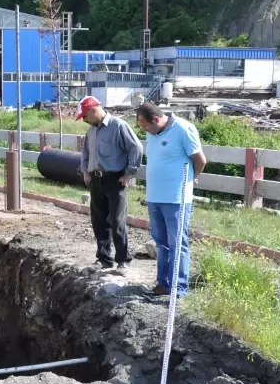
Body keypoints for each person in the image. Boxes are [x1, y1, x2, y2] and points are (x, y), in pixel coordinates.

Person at [135, 102, 208, 298]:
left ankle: (179, 289)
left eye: (144, 125)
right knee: (161, 243)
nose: (144, 130)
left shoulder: (183, 129)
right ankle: (163, 284)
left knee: (177, 243)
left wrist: (191, 178)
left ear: (156, 119)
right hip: (154, 197)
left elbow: (200, 160)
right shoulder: (152, 133)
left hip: (176, 198)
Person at [76, 96, 143, 271]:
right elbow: (85, 152)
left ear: (93, 110)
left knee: (117, 220)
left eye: (85, 116)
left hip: (115, 179)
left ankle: (123, 260)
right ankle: (104, 258)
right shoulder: (91, 131)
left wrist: (128, 174)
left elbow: (136, 148)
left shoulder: (118, 126)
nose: (84, 120)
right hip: (96, 179)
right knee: (99, 220)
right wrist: (85, 171)